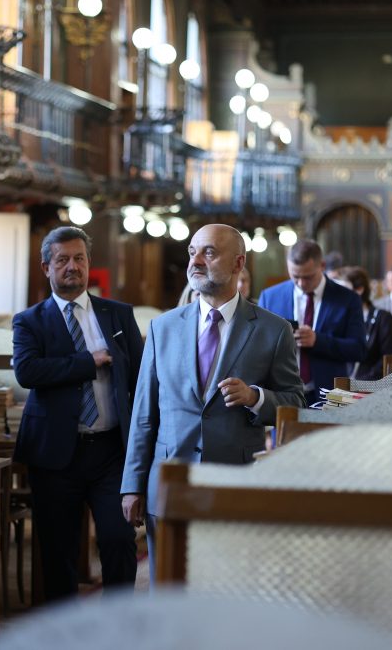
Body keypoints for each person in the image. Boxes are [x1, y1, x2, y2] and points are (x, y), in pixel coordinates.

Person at [120, 224, 304, 576]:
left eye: (209, 252)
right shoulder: (163, 327)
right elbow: (144, 413)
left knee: (226, 588)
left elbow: (295, 403)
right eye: (192, 252)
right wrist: (132, 484)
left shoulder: (273, 329)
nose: (196, 262)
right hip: (169, 483)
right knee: (167, 592)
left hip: (233, 482)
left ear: (238, 263)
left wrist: (254, 397)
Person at [12, 226, 145, 601]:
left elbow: (139, 377)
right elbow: (28, 372)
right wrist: (88, 362)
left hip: (111, 452)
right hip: (56, 454)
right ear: (46, 267)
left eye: (79, 258)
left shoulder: (118, 315)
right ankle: (65, 628)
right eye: (62, 260)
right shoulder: (30, 321)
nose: (72, 266)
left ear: (89, 263)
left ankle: (119, 624)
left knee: (118, 540)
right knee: (59, 554)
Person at [259, 239, 366, 405]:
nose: (301, 283)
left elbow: (358, 350)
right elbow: (259, 347)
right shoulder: (270, 297)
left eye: (308, 277)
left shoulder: (348, 299)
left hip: (329, 396)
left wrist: (318, 340)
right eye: (295, 276)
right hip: (281, 395)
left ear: (322, 266)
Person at [332, 266, 392, 380]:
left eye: (343, 290)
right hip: (340, 384)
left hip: (371, 385)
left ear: (359, 290)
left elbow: (387, 359)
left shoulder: (383, 318)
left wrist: (363, 382)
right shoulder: (339, 318)